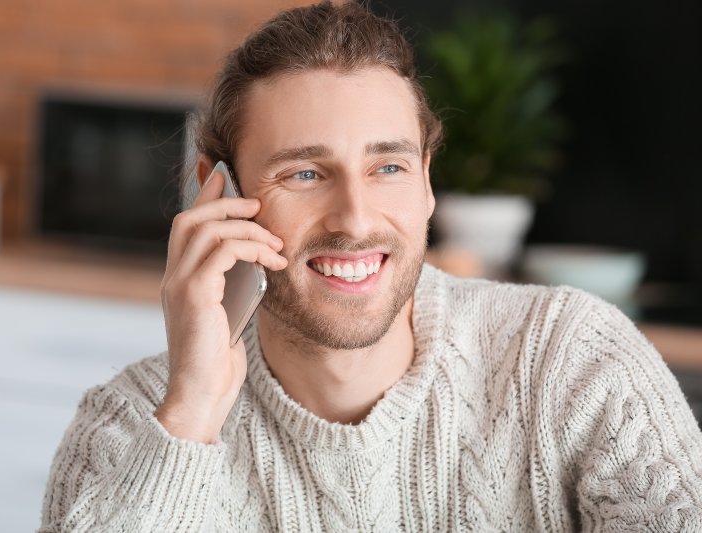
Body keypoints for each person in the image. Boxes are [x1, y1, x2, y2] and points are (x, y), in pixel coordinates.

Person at [39, 2, 702, 531]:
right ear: (222, 196)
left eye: (388, 167)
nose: (355, 218)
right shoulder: (128, 425)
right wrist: (192, 409)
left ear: (427, 184)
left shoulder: (576, 361)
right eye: (304, 172)